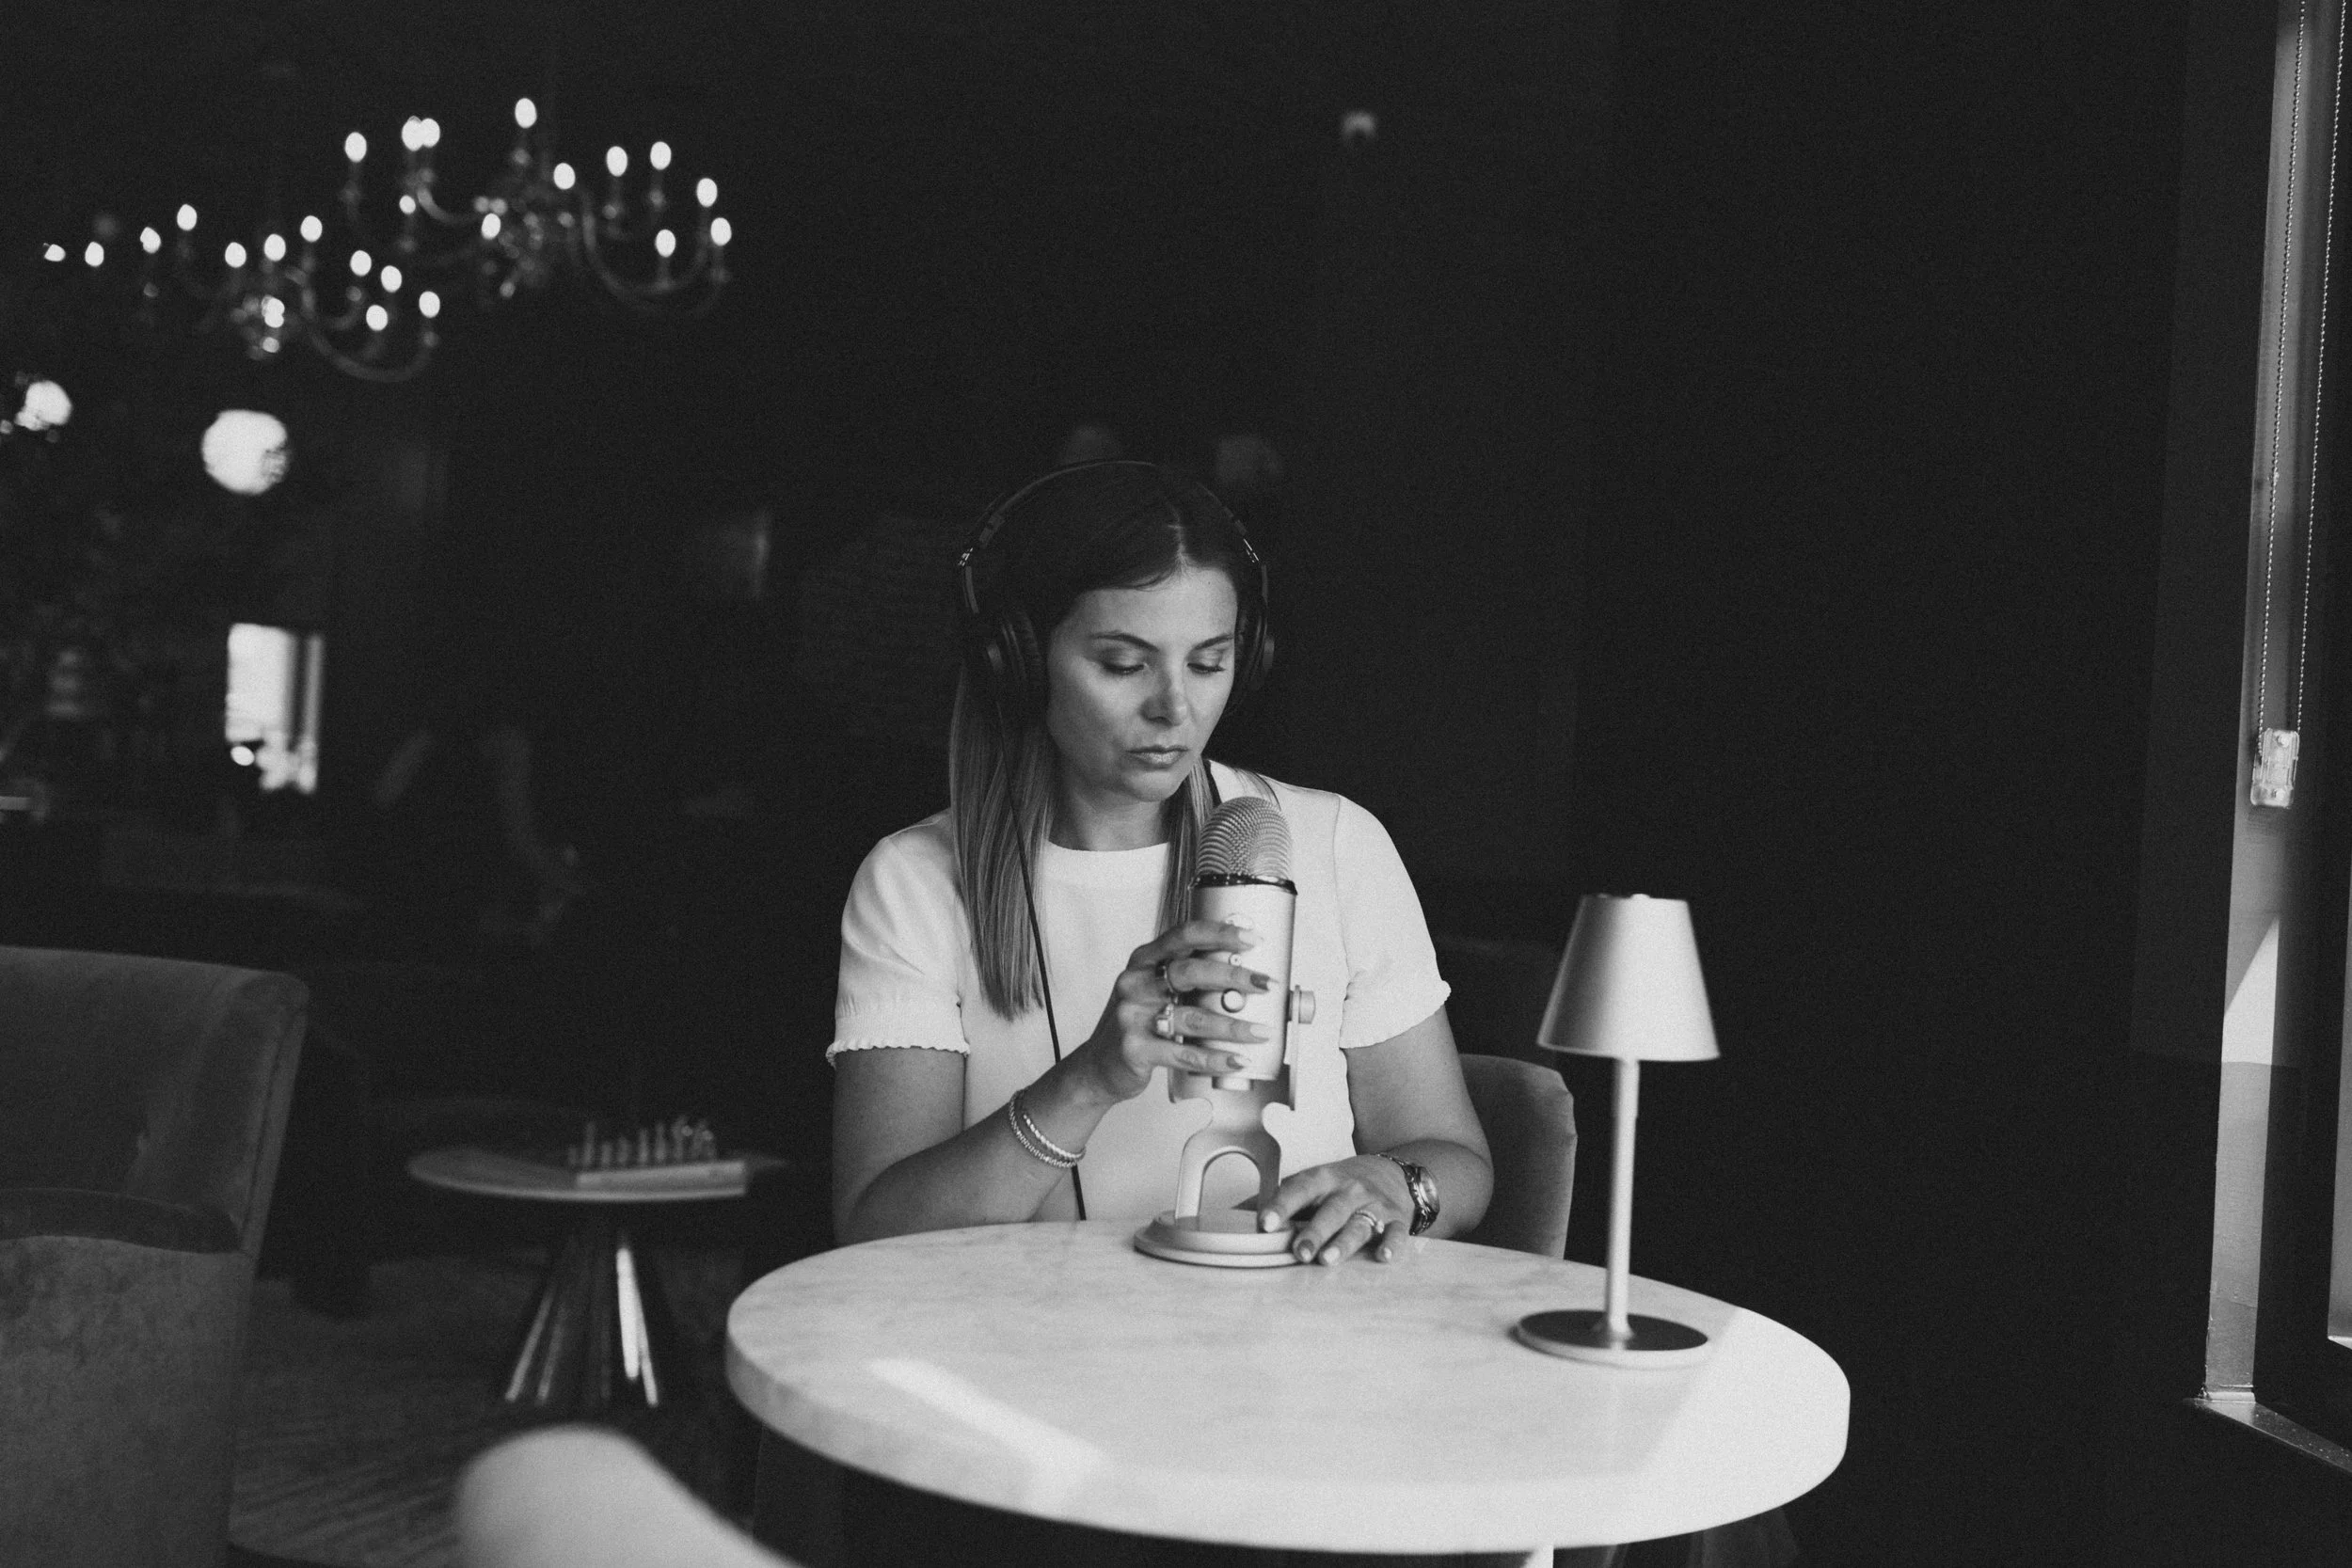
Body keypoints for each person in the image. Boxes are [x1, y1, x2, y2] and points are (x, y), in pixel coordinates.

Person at [828, 458, 1491, 1268]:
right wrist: (1091, 1079)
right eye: (1123, 663)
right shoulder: (914, 883)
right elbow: (874, 1231)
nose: (1175, 709)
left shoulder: (1337, 843)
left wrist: (1397, 1184)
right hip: (1028, 1364)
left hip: (1307, 1361)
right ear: (1021, 659)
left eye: (1208, 663)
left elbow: (1459, 1161)